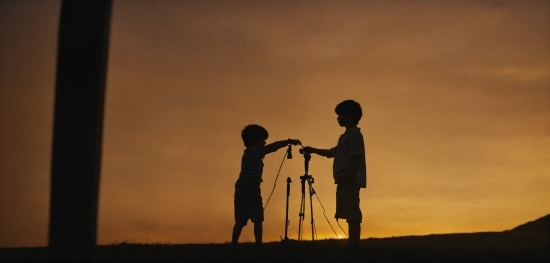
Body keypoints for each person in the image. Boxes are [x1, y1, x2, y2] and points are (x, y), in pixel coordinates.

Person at [303, 100, 366, 247]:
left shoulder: (354, 135)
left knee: (353, 215)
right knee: (350, 214)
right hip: (344, 180)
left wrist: (351, 179)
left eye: (340, 115)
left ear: (348, 116)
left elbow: (356, 158)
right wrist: (312, 150)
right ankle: (353, 244)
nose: (338, 118)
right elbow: (332, 153)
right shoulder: (345, 136)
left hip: (349, 180)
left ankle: (354, 246)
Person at [232, 124, 301, 246]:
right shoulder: (255, 150)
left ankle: (233, 244)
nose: (264, 143)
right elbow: (272, 148)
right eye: (263, 140)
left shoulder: (246, 153)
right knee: (258, 218)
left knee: (240, 221)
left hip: (240, 188)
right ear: (255, 140)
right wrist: (288, 141)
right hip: (251, 188)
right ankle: (259, 245)